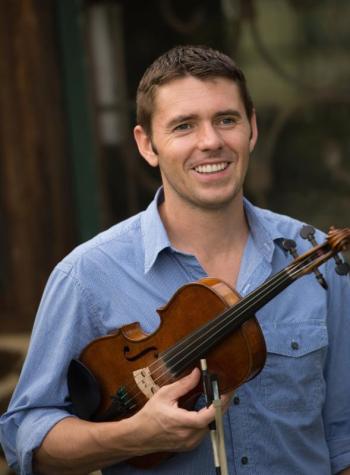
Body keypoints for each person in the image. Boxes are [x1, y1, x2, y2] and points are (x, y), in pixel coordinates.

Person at [1, 45, 350, 475]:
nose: (211, 141)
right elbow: (26, 437)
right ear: (147, 144)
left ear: (252, 129)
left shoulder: (317, 261)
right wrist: (131, 437)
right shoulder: (87, 274)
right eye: (184, 126)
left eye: (227, 120)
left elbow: (344, 436)